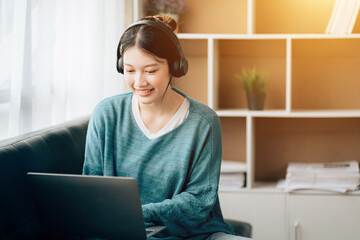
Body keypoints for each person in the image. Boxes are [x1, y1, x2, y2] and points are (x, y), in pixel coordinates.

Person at [83, 15, 251, 240]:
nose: (139, 82)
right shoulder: (106, 114)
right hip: (122, 234)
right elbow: (91, 190)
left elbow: (199, 201)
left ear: (174, 66)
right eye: (130, 70)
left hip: (194, 234)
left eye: (150, 71)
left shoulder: (203, 122)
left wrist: (135, 214)